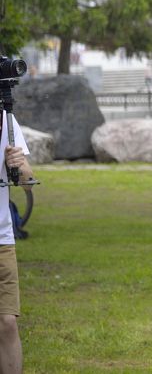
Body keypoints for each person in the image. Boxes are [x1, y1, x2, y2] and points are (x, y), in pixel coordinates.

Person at [0, 107, 37, 373]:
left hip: (2, 238)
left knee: (7, 322)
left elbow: (28, 181)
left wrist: (18, 165)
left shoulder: (6, 120)